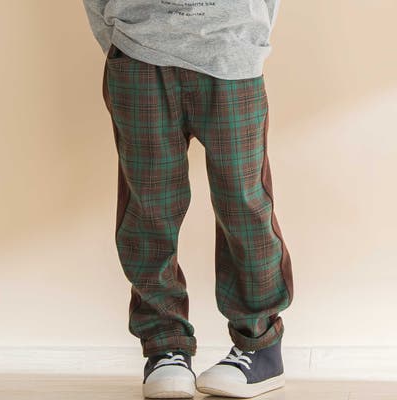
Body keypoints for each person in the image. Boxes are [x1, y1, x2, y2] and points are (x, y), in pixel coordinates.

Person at [82, 1, 294, 398]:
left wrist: (248, 36)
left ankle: (260, 345)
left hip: (231, 51)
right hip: (138, 50)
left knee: (244, 204)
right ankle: (164, 347)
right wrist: (120, 39)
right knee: (148, 208)